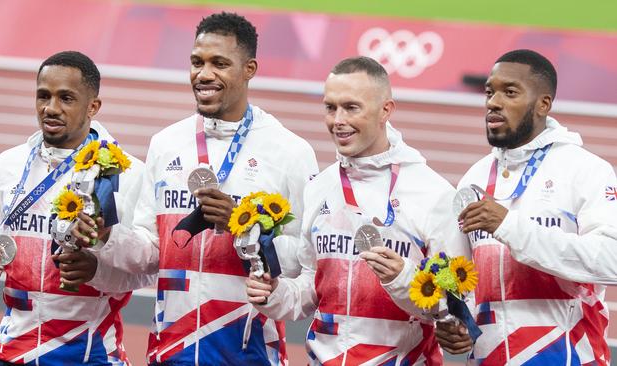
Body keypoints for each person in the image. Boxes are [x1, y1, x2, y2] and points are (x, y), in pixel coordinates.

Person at [73, 12, 318, 366]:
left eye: (219, 63)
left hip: (249, 354)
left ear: (249, 69)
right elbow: (151, 251)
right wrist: (108, 235)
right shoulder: (166, 143)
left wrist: (243, 225)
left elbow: (306, 262)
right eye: (197, 62)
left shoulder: (289, 152)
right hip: (170, 351)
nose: (204, 74)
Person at [245, 56, 470, 365]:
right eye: (330, 107)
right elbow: (311, 286)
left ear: (386, 110)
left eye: (351, 108)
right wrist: (275, 295)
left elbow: (455, 307)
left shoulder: (433, 193)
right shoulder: (320, 187)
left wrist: (404, 279)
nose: (338, 120)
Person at [436, 49, 617, 364]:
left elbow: (611, 260)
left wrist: (510, 227)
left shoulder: (585, 170)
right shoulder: (473, 178)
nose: (493, 102)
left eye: (510, 92)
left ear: (543, 104)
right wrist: (457, 321)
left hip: (568, 357)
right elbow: (459, 276)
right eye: (490, 92)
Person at [0, 51, 148, 365]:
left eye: (66, 98)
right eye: (43, 96)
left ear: (93, 106)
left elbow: (146, 269)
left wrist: (97, 270)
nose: (50, 108)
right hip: (13, 353)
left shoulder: (128, 172)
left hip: (88, 356)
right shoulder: (9, 164)